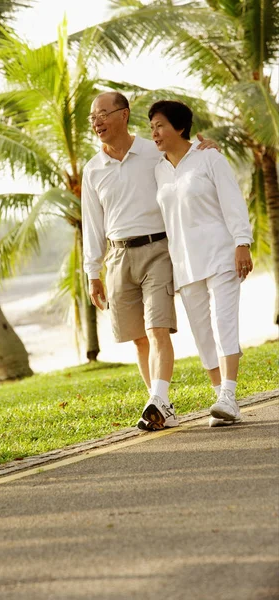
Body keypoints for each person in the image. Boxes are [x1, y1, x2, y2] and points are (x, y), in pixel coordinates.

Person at [81, 91, 218, 431]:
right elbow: (92, 222)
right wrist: (92, 272)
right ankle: (159, 406)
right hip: (117, 256)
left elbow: (185, 161)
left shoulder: (152, 152)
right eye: (92, 117)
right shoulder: (93, 169)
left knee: (157, 329)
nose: (97, 121)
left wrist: (210, 149)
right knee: (138, 338)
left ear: (124, 114)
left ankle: (157, 401)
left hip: (157, 249)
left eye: (103, 113)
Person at [149, 99, 253, 427]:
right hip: (184, 260)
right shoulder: (158, 169)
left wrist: (242, 243)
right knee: (201, 332)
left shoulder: (209, 157)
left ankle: (229, 395)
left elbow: (232, 201)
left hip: (221, 252)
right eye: (151, 127)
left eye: (160, 126)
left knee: (225, 325)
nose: (154, 133)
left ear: (180, 127)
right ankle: (219, 398)